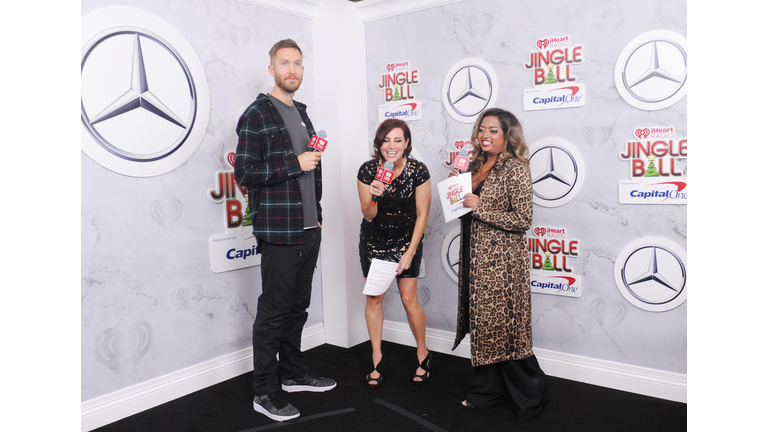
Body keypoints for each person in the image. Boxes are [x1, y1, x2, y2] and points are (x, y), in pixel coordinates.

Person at [234, 39, 336, 423]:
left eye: (297, 63)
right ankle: (265, 391)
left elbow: (314, 171)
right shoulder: (257, 115)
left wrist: (319, 213)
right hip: (278, 231)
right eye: (284, 63)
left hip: (309, 228)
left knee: (298, 308)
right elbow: (245, 174)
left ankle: (293, 373)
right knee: (274, 312)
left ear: (303, 70)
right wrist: (295, 163)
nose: (291, 70)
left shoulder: (303, 114)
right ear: (272, 69)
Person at [450, 108, 549, 422]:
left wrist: (480, 207)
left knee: (506, 332)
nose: (485, 136)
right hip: (475, 258)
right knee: (483, 328)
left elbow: (523, 220)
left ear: (508, 134)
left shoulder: (516, 167)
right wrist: (457, 191)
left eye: (493, 130)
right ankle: (486, 393)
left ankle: (532, 397)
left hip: (503, 266)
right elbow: (464, 209)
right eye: (482, 129)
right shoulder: (475, 164)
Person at [356, 119, 432, 389]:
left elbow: (423, 215)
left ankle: (422, 352)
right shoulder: (367, 171)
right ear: (379, 144)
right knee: (374, 299)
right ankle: (377, 357)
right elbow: (369, 214)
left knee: (409, 299)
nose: (392, 146)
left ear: (407, 144)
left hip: (406, 240)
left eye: (398, 140)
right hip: (375, 242)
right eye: (386, 140)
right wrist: (373, 195)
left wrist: (410, 252)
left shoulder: (418, 171)